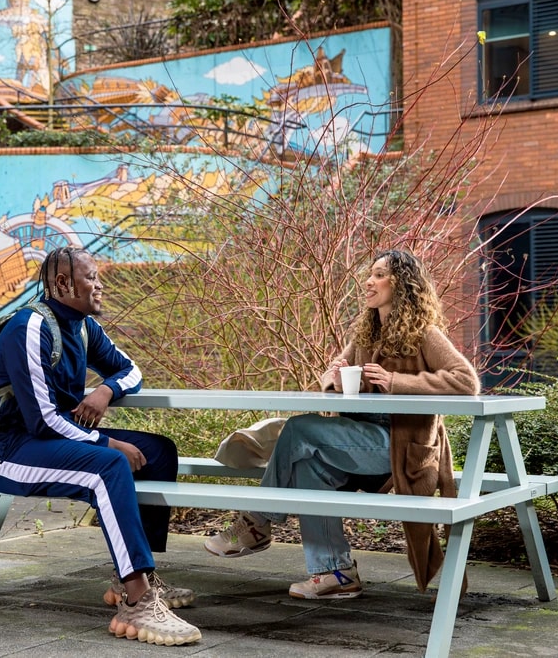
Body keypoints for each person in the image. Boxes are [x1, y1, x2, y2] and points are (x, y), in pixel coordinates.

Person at [204, 249, 480, 599]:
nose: (368, 281)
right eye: (370, 274)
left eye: (379, 274)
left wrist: (396, 382)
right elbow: (332, 377)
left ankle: (257, 521)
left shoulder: (425, 334)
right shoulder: (366, 334)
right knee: (307, 471)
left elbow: (466, 381)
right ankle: (336, 572)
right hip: (358, 439)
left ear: (404, 284)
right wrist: (331, 378)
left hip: (398, 446)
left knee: (299, 428)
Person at [0, 246, 201, 646]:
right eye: (92, 277)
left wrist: (105, 391)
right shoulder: (31, 327)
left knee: (159, 452)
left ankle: (134, 574)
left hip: (45, 440)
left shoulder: (83, 327)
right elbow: (43, 419)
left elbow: (131, 370)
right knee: (108, 465)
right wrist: (106, 440)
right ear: (62, 283)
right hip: (2, 450)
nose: (100, 285)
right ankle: (138, 601)